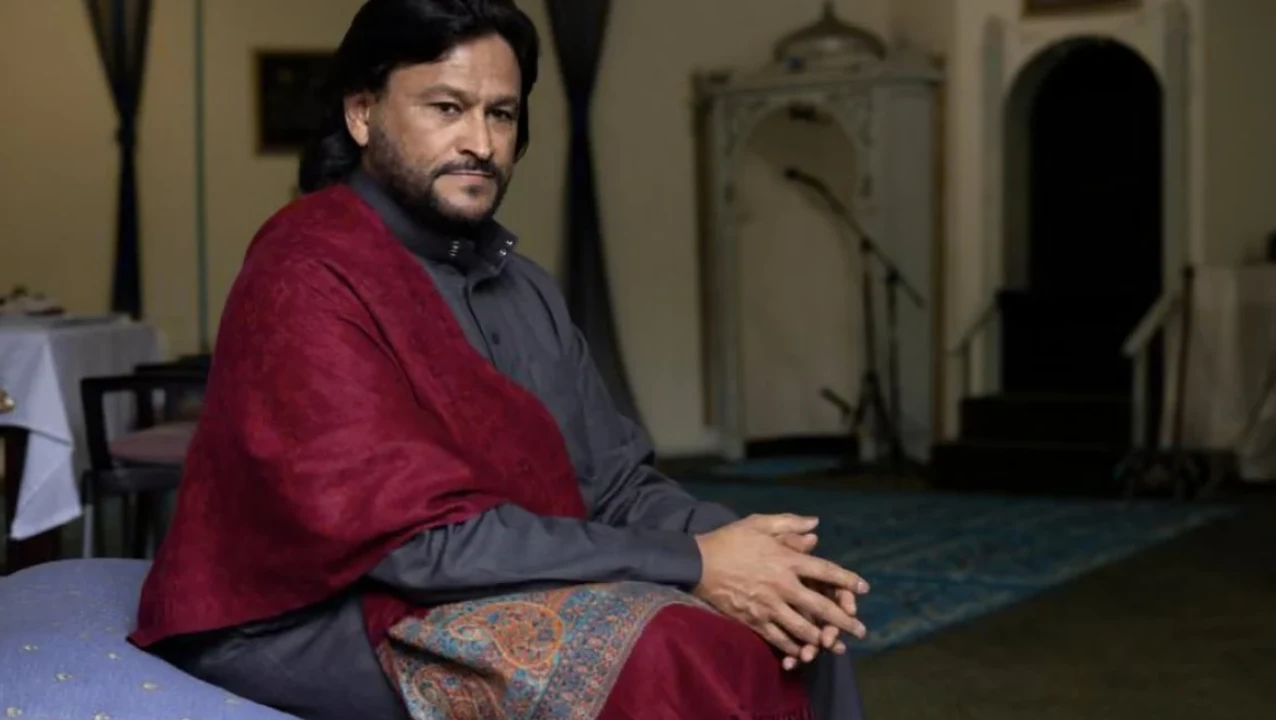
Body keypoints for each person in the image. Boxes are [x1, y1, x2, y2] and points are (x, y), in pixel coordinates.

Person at [129, 1, 872, 718]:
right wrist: (695, 562)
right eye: (447, 108)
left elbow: (613, 483)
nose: (481, 144)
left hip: (482, 572)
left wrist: (752, 554)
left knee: (802, 614)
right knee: (669, 650)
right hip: (312, 610)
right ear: (362, 113)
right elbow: (413, 548)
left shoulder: (524, 287)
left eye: (502, 114)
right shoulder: (308, 273)